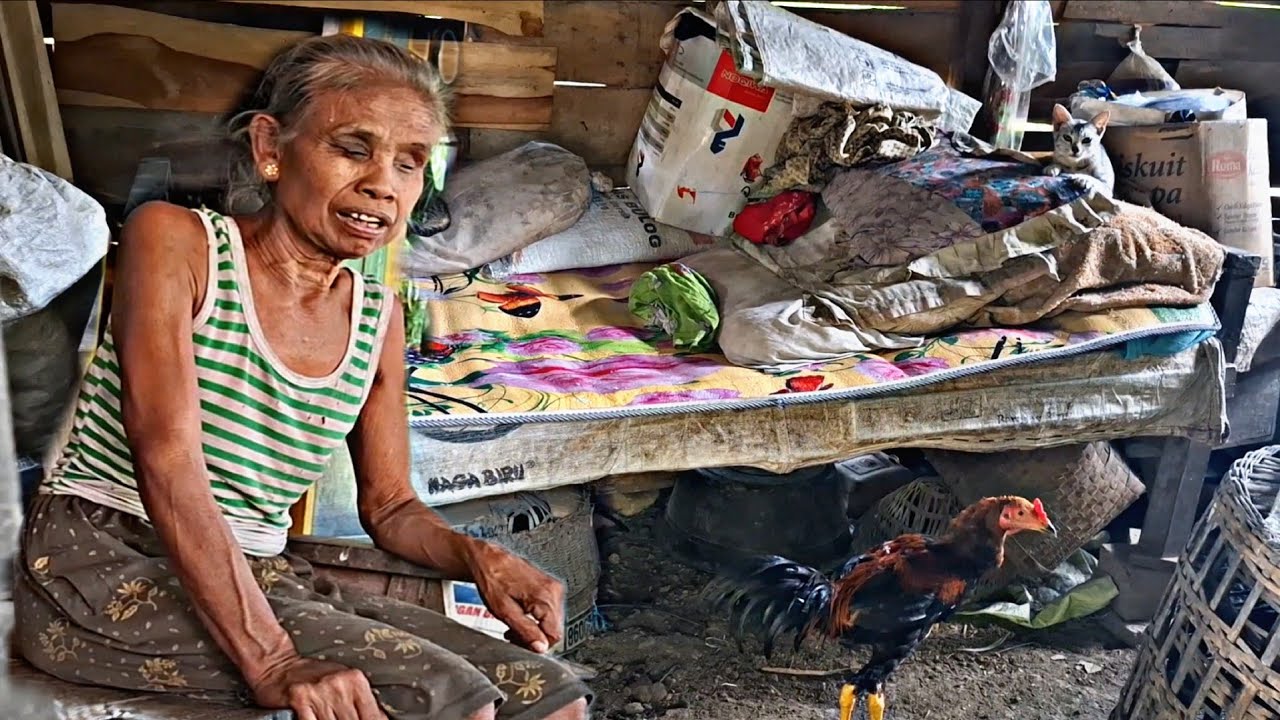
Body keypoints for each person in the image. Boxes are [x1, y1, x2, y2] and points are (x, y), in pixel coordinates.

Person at [13, 34, 592, 720]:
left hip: (259, 571)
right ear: (270, 148)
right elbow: (167, 457)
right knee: (446, 700)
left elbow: (391, 507)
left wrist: (480, 555)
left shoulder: (377, 316)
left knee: (550, 696)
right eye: (353, 148)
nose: (383, 183)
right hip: (101, 559)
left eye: (411, 164)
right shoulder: (177, 243)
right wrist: (275, 661)